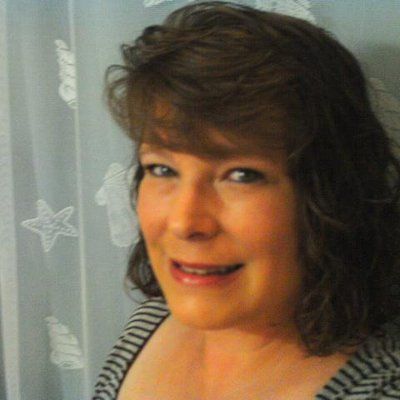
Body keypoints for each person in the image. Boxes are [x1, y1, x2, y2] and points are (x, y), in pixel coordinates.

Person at [93, 1, 400, 399]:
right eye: (162, 169)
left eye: (241, 176)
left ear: (330, 197)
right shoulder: (149, 325)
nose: (185, 222)